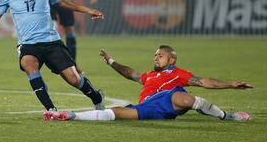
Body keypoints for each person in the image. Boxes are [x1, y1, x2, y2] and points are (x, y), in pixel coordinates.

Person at [0, 0, 104, 111]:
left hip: (51, 42)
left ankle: (97, 98)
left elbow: (63, 2)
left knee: (73, 79)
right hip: (28, 45)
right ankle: (51, 110)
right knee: (28, 65)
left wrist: (89, 10)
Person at [43, 45, 252, 121]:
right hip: (150, 107)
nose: (156, 57)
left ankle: (227, 116)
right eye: (155, 55)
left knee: (185, 97)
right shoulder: (150, 76)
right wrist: (112, 61)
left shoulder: (177, 73)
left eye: (160, 55)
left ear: (172, 60)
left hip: (169, 100)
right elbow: (131, 74)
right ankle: (70, 116)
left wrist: (231, 84)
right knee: (117, 113)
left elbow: (204, 81)